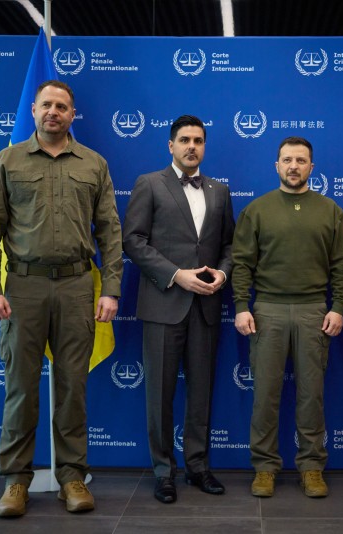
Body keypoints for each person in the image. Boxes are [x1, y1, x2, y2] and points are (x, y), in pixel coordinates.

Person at [0, 80, 123, 517]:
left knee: (73, 387)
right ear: (34, 110)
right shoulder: (8, 160)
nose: (53, 112)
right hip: (23, 288)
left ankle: (72, 477)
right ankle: (15, 482)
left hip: (77, 287)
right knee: (20, 389)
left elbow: (110, 231)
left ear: (72, 114)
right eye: (46, 105)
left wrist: (111, 289)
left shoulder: (94, 164)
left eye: (61, 106)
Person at [123, 115, 235, 504]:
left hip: (206, 306)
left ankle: (198, 467)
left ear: (204, 146)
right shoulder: (149, 183)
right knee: (160, 394)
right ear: (170, 145)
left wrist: (223, 272)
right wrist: (175, 275)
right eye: (184, 140)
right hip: (163, 304)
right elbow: (133, 240)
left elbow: (230, 245)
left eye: (198, 140)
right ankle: (163, 471)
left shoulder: (220, 191)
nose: (192, 146)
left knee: (201, 392)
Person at [232, 136, 343, 499]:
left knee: (311, 396)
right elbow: (242, 264)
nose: (294, 166)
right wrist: (241, 305)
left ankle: (312, 467)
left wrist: (338, 306)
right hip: (266, 310)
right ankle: (264, 467)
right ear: (277, 166)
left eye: (301, 161)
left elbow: (341, 266)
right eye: (287, 160)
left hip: (314, 310)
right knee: (265, 395)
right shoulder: (257, 210)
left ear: (311, 167)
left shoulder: (331, 211)